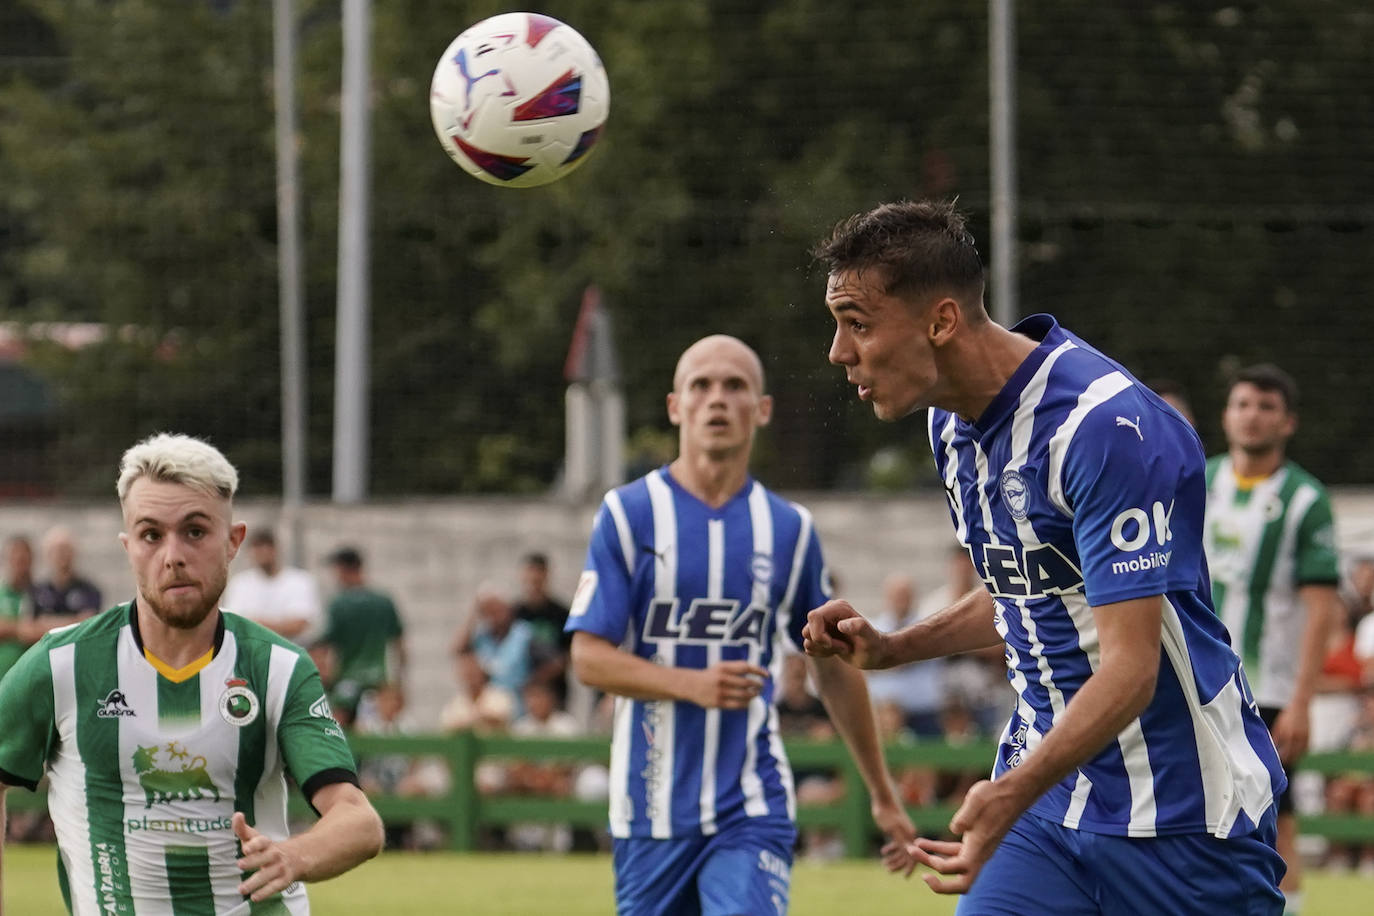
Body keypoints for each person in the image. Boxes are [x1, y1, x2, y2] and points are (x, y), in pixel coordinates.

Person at [804, 200, 1286, 914]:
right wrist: (894, 647)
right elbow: (1024, 586)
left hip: (1182, 815)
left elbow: (1133, 669)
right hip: (1045, 810)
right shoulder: (952, 425)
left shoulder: (1105, 428)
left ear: (940, 321)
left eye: (858, 324)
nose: (840, 353)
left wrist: (1007, 791)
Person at [565, 334, 915, 915]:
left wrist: (881, 793)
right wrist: (692, 684)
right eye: (701, 385)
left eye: (735, 385)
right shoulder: (628, 515)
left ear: (763, 409)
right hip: (649, 811)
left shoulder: (789, 530)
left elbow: (832, 666)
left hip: (751, 806)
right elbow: (588, 657)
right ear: (676, 406)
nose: (717, 399)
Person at [0, 432, 383, 913]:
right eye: (151, 535)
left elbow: (358, 820)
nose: (173, 554)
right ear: (129, 547)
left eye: (195, 531)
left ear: (233, 541)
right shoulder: (61, 662)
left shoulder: (278, 668)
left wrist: (293, 855)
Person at [1204, 363, 1344, 915]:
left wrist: (1304, 701)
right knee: (1190, 808)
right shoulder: (1199, 480)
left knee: (1275, 815)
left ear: (1288, 423)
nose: (1252, 416)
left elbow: (1321, 607)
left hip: (1269, 691)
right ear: (1225, 415)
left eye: (1266, 407)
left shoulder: (1306, 500)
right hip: (1193, 681)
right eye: (1242, 404)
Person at [317, 546, 406, 727]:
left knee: (338, 730)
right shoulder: (384, 601)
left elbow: (327, 646)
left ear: (344, 569)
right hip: (379, 680)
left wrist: (327, 680)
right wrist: (399, 683)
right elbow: (400, 645)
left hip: (348, 680)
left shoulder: (339, 603)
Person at [866, 572, 946, 738]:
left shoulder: (929, 626)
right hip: (881, 712)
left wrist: (884, 660)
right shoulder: (872, 627)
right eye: (896, 595)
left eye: (904, 595)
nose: (900, 600)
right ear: (887, 597)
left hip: (922, 711)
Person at [221, 528, 323, 645]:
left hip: (293, 655)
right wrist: (280, 625)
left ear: (275, 549)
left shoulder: (300, 581)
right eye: (256, 547)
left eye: (265, 546)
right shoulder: (240, 583)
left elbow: (299, 625)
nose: (261, 552)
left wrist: (256, 624)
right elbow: (235, 625)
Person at [513, 551, 573, 709]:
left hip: (555, 693)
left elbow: (569, 654)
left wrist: (540, 677)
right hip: (521, 694)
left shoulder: (561, 613)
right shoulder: (515, 613)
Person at [30, 525, 102, 626]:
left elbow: (88, 625)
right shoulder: (37, 590)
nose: (61, 554)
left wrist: (46, 622)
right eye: (57, 550)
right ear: (48, 554)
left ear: (74, 552)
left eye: (65, 549)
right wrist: (74, 620)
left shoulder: (89, 590)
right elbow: (29, 629)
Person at [0, 535, 42, 681]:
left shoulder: (41, 595)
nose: (19, 566)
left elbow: (46, 628)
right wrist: (20, 628)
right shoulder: (2, 594)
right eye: (15, 560)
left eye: (23, 560)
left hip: (30, 680)